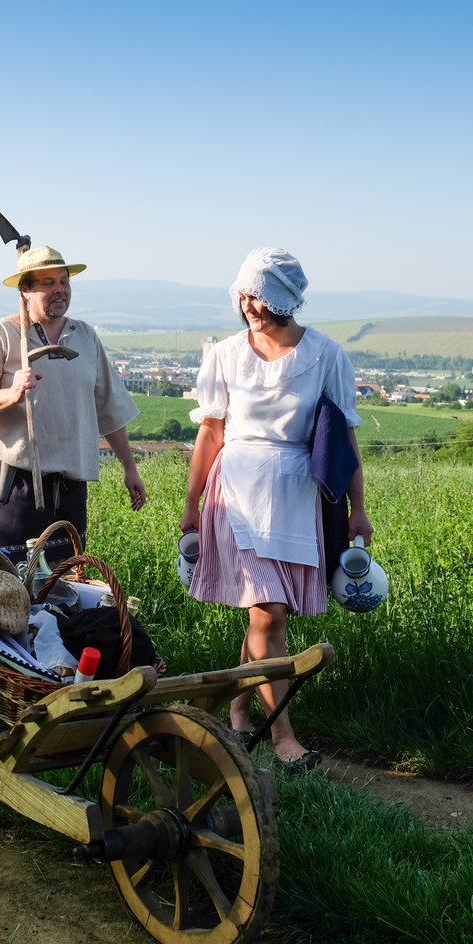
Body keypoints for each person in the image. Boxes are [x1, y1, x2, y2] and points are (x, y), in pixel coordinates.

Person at [178, 248, 372, 770]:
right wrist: (192, 504)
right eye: (243, 296)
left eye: (258, 297)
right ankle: (283, 737)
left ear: (284, 301)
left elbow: (344, 438)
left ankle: (236, 710)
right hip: (235, 493)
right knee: (269, 612)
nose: (248, 306)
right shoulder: (224, 355)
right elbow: (210, 433)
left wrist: (358, 509)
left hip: (295, 496)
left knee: (266, 614)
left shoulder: (327, 355)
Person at [0, 246, 144, 568]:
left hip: (73, 480)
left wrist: (130, 467)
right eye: (48, 283)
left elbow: (109, 406)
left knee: (68, 575)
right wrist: (12, 394)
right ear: (25, 290)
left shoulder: (85, 336)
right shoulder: (2, 334)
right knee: (19, 574)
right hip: (20, 478)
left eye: (64, 281)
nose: (60, 289)